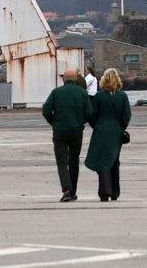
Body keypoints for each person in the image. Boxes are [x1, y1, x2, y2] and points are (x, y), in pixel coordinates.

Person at [42, 68, 93, 202]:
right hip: (76, 131)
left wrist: (53, 122)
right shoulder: (82, 93)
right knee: (74, 161)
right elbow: (89, 112)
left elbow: (46, 109)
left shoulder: (56, 92)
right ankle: (73, 191)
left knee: (61, 162)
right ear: (76, 79)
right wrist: (81, 121)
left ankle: (66, 190)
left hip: (60, 131)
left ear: (63, 79)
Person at [86, 67, 131, 202]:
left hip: (100, 131)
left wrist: (97, 126)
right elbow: (127, 115)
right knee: (114, 161)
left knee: (102, 161)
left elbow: (92, 115)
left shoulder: (99, 96)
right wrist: (120, 127)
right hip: (116, 132)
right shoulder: (122, 96)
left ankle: (105, 191)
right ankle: (115, 191)